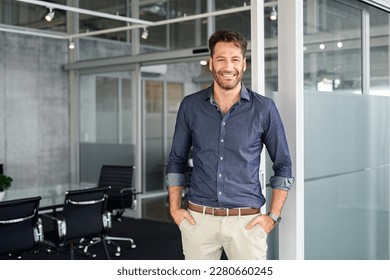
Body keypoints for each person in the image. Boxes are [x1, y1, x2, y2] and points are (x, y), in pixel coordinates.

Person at [166, 29, 294, 260]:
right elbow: (176, 160)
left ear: (243, 64)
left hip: (246, 222)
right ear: (211, 63)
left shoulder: (264, 109)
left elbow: (283, 164)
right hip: (199, 220)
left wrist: (273, 216)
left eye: (235, 59)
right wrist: (175, 209)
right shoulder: (190, 106)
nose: (228, 66)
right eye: (221, 59)